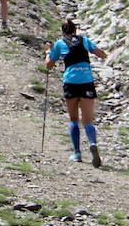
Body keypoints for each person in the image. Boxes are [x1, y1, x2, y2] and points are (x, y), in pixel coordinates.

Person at [45, 18, 108, 166]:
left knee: (73, 119)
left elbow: (48, 66)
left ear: (62, 32)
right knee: (87, 120)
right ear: (75, 31)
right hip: (87, 81)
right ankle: (92, 142)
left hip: (70, 82)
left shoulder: (60, 44)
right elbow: (101, 54)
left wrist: (48, 52)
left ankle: (77, 153)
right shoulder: (84, 40)